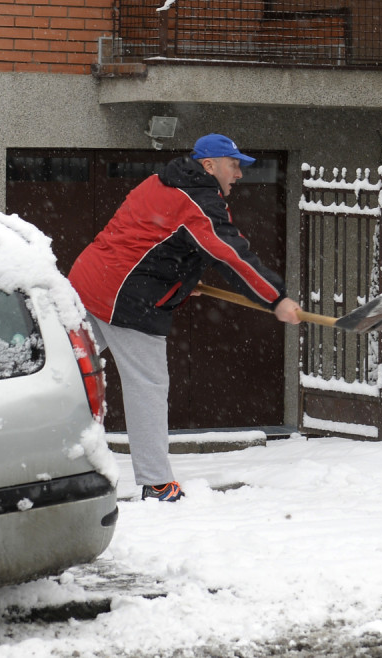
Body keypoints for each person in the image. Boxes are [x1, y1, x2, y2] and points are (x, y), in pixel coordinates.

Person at [68, 133, 301, 502]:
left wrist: (179, 280)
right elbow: (230, 254)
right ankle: (157, 482)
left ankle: (41, 460)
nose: (239, 174)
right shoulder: (196, 200)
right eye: (233, 164)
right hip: (127, 300)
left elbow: (150, 237)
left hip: (88, 282)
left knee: (66, 376)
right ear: (209, 165)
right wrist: (276, 299)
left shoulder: (162, 181)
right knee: (147, 385)